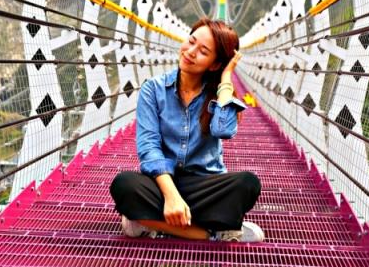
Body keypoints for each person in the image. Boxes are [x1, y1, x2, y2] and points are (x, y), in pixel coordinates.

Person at [109, 18, 264, 242]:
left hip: (203, 185)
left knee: (247, 184)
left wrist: (226, 78)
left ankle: (149, 222)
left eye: (203, 51)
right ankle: (212, 233)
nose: (190, 52)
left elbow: (223, 131)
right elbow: (148, 148)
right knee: (124, 184)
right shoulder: (153, 89)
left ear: (214, 64)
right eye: (190, 42)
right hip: (163, 182)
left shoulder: (218, 95)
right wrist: (171, 196)